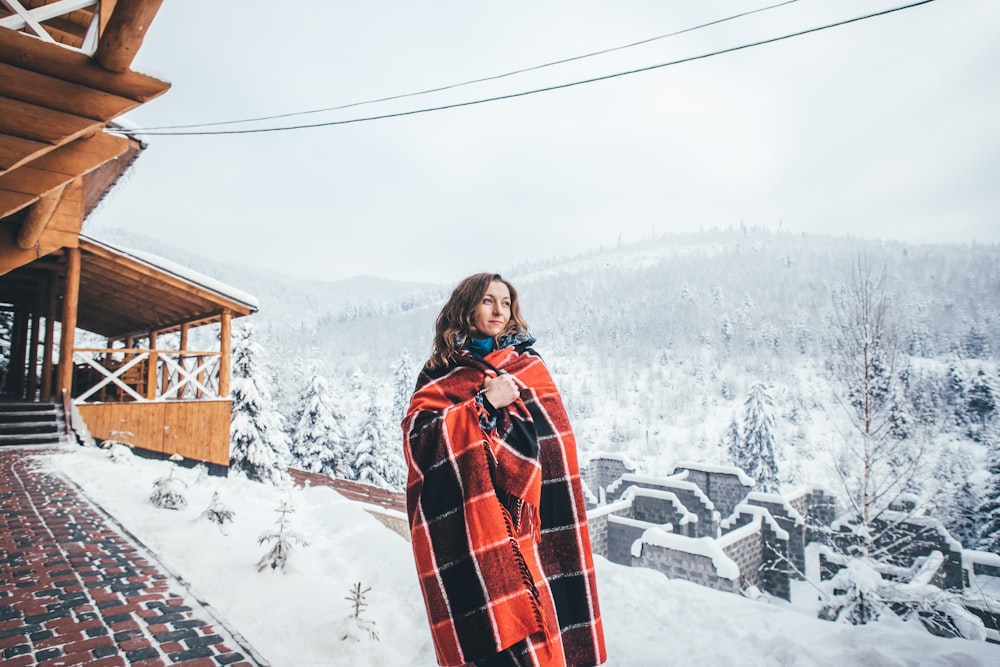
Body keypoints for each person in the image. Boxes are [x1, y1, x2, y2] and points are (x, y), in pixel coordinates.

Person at [402, 273, 606, 667]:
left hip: (534, 527)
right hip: (478, 530)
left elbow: (557, 444)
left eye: (506, 302)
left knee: (545, 630)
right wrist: (483, 404)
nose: (499, 311)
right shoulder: (439, 373)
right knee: (495, 640)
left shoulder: (528, 365)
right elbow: (418, 443)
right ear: (466, 307)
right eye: (487, 301)